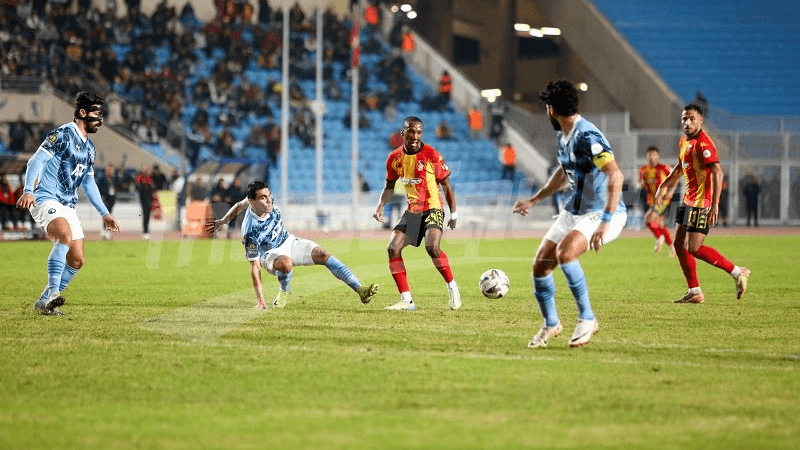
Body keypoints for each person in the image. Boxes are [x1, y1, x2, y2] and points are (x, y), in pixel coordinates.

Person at [513, 80, 626, 348]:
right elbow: (564, 173)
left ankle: (588, 318)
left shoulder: (588, 138)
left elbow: (616, 175)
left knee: (565, 254)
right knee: (540, 266)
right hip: (573, 211)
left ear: (551, 109)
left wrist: (605, 222)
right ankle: (552, 324)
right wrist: (535, 199)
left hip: (602, 212)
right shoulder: (564, 135)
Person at [15, 91, 120, 316]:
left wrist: (105, 212)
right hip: (45, 197)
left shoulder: (90, 149)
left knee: (77, 259)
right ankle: (53, 293)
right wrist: (28, 191)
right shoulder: (62, 134)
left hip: (68, 205)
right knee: (63, 235)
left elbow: (89, 184)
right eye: (96, 114)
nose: (100, 120)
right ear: (82, 113)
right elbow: (36, 160)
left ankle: (44, 302)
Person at [206, 181, 379, 310]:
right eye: (263, 198)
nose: (268, 200)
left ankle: (360, 289)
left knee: (323, 254)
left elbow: (238, 205)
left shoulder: (258, 200)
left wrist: (223, 221)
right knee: (286, 263)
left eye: (268, 195)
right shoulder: (250, 231)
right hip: (270, 255)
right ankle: (283, 292)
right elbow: (254, 267)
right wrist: (260, 300)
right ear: (253, 201)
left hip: (288, 241)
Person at [655, 104, 750, 304]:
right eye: (684, 119)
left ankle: (737, 272)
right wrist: (663, 186)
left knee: (694, 248)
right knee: (679, 245)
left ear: (700, 121)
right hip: (688, 200)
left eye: (691, 119)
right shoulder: (684, 141)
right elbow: (679, 168)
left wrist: (714, 205)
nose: (687, 122)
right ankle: (695, 291)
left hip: (701, 203)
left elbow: (718, 172)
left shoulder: (703, 143)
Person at [372, 116, 461, 311]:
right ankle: (406, 300)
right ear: (403, 132)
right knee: (393, 248)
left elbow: (446, 184)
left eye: (419, 132)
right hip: (412, 211)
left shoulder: (431, 154)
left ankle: (452, 287)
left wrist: (453, 214)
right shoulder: (394, 158)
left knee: (432, 247)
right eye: (411, 131)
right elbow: (389, 186)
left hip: (433, 207)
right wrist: (380, 206)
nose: (415, 136)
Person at [638, 146, 675, 254]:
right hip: (652, 200)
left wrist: (671, 192)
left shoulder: (664, 168)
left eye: (654, 154)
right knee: (659, 224)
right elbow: (643, 183)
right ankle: (672, 246)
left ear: (657, 156)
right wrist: (641, 184)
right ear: (646, 156)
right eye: (649, 155)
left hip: (663, 200)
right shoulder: (643, 169)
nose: (651, 157)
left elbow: (675, 179)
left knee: (648, 219)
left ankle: (660, 238)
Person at [95, 163, 119, 240]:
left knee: (108, 214)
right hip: (104, 199)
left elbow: (118, 186)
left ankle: (104, 231)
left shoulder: (114, 179)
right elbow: (98, 188)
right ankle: (106, 231)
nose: (110, 171)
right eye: (109, 169)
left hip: (112, 199)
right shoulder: (102, 179)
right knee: (107, 215)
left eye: (111, 170)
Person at [135, 165, 155, 240]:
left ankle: (146, 231)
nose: (146, 171)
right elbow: (137, 186)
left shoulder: (150, 178)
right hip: (144, 199)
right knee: (145, 214)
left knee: (147, 215)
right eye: (144, 170)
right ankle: (145, 231)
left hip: (149, 199)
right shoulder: (140, 177)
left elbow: (152, 187)